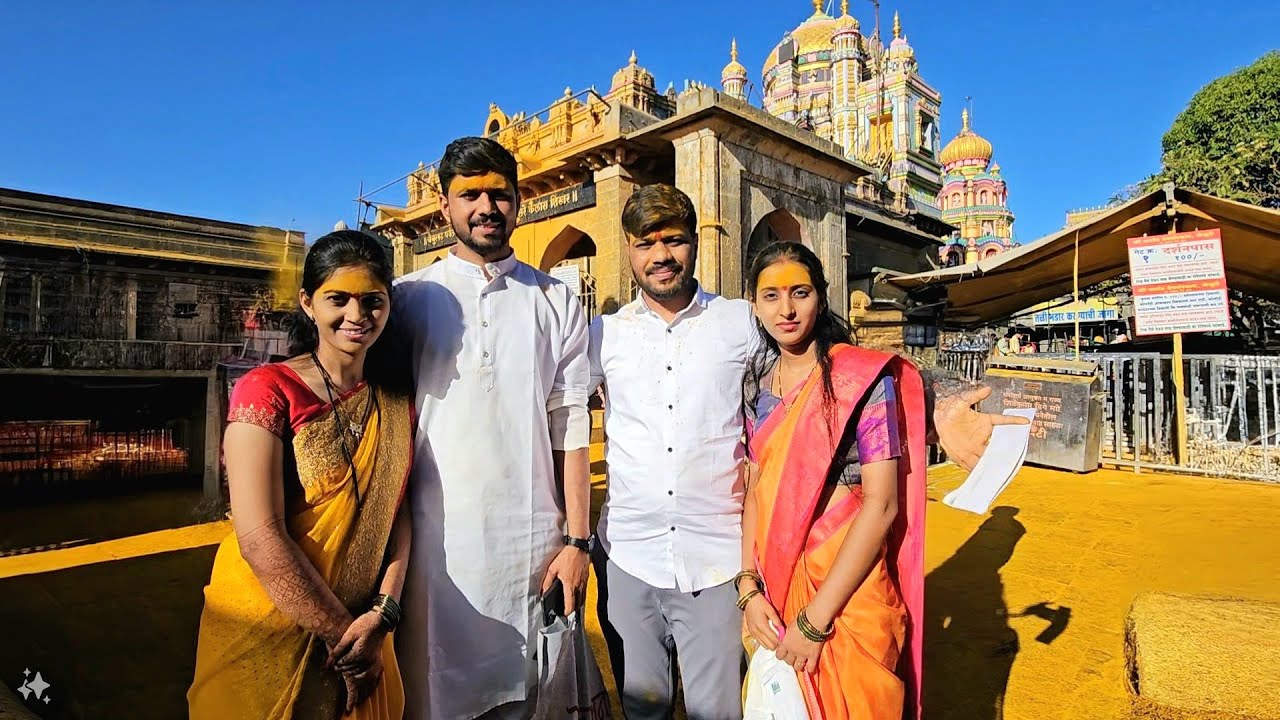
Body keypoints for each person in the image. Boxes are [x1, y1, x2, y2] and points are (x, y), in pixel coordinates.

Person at [392, 137, 593, 720]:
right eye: (469, 195)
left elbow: (570, 428)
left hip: (531, 547)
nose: (486, 207)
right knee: (434, 698)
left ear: (518, 202)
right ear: (444, 204)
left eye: (500, 195)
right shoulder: (408, 299)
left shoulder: (556, 300)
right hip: (434, 551)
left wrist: (577, 541)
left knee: (527, 697)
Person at [189, 230, 414, 719]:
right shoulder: (265, 390)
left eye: (372, 301)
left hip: (367, 630)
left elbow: (400, 514)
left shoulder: (394, 399)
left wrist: (383, 614)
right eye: (338, 299)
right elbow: (259, 538)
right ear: (308, 304)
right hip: (268, 633)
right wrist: (347, 642)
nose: (356, 316)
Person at [739, 241, 927, 720]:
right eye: (770, 296)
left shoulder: (861, 379)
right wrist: (748, 589)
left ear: (821, 297)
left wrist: (814, 621)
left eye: (799, 292)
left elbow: (882, 505)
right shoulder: (754, 386)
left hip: (849, 592)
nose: (786, 309)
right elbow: (756, 489)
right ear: (753, 305)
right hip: (776, 590)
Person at [588, 184, 755, 719]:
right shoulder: (603, 335)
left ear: (695, 246)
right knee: (642, 710)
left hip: (716, 560)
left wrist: (934, 403)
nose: (660, 255)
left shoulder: (740, 324)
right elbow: (548, 407)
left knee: (717, 712)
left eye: (674, 240)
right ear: (629, 251)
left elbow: (819, 368)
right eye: (645, 244)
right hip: (629, 556)